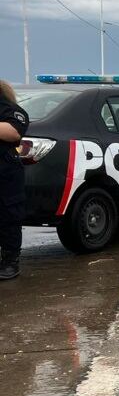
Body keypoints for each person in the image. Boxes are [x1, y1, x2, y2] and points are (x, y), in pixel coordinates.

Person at [0, 79, 29, 280]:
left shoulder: (8, 108)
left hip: (5, 174)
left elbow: (14, 131)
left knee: (8, 218)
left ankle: (10, 262)